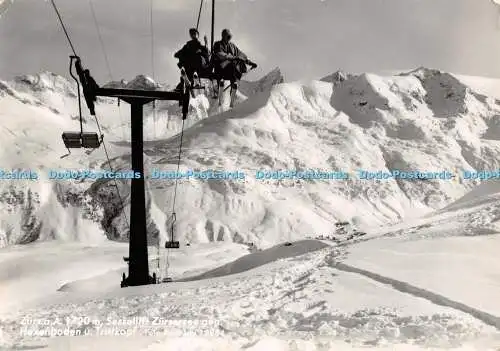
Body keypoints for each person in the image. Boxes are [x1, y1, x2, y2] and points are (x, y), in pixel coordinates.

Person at [212, 29, 257, 106]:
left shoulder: (232, 46)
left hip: (230, 71)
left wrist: (250, 62)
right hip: (221, 69)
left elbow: (241, 55)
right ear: (223, 36)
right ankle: (220, 86)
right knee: (232, 63)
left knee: (236, 65)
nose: (229, 38)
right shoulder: (218, 44)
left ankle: (233, 87)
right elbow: (219, 54)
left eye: (230, 36)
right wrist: (231, 57)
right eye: (227, 36)